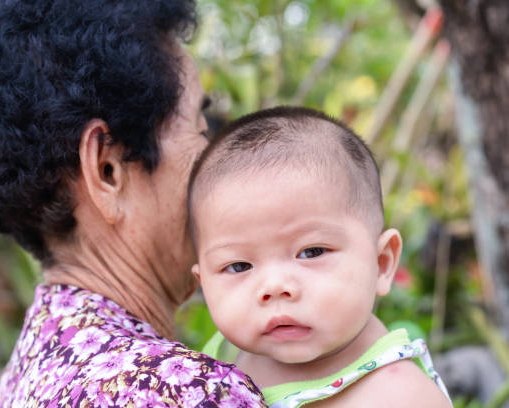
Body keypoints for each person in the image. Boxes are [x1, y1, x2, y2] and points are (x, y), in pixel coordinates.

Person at [0, 0, 267, 406]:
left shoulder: (36, 361)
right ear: (107, 170)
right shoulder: (181, 390)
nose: (218, 161)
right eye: (201, 129)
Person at [187, 106, 453, 407]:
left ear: (382, 264)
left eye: (311, 252)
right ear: (204, 283)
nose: (274, 286)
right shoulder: (223, 353)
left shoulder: (398, 395)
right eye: (238, 265)